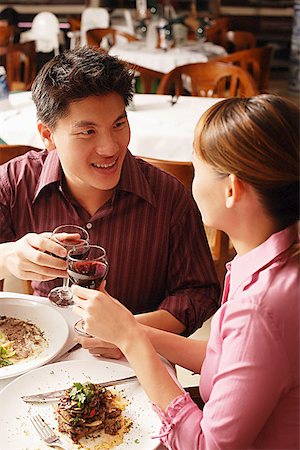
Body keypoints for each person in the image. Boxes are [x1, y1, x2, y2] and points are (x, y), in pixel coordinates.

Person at [72, 94, 299, 449]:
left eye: (197, 169)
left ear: (231, 189)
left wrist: (132, 341)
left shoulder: (261, 307)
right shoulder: (275, 263)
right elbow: (229, 359)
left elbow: (207, 445)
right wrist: (130, 331)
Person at [0, 47, 220, 358]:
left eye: (118, 124)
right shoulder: (16, 181)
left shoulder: (168, 195)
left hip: (137, 365)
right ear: (47, 135)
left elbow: (199, 293)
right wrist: (6, 256)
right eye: (88, 131)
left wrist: (131, 334)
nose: (109, 147)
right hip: (42, 353)